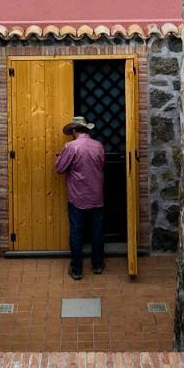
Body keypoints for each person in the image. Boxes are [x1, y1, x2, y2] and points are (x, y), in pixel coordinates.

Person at [54, 115, 106, 280]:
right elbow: (101, 164)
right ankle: (97, 265)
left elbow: (60, 168)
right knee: (97, 232)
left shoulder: (71, 147)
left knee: (77, 232)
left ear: (74, 130)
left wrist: (59, 157)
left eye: (71, 131)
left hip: (78, 197)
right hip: (97, 196)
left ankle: (77, 269)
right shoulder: (98, 146)